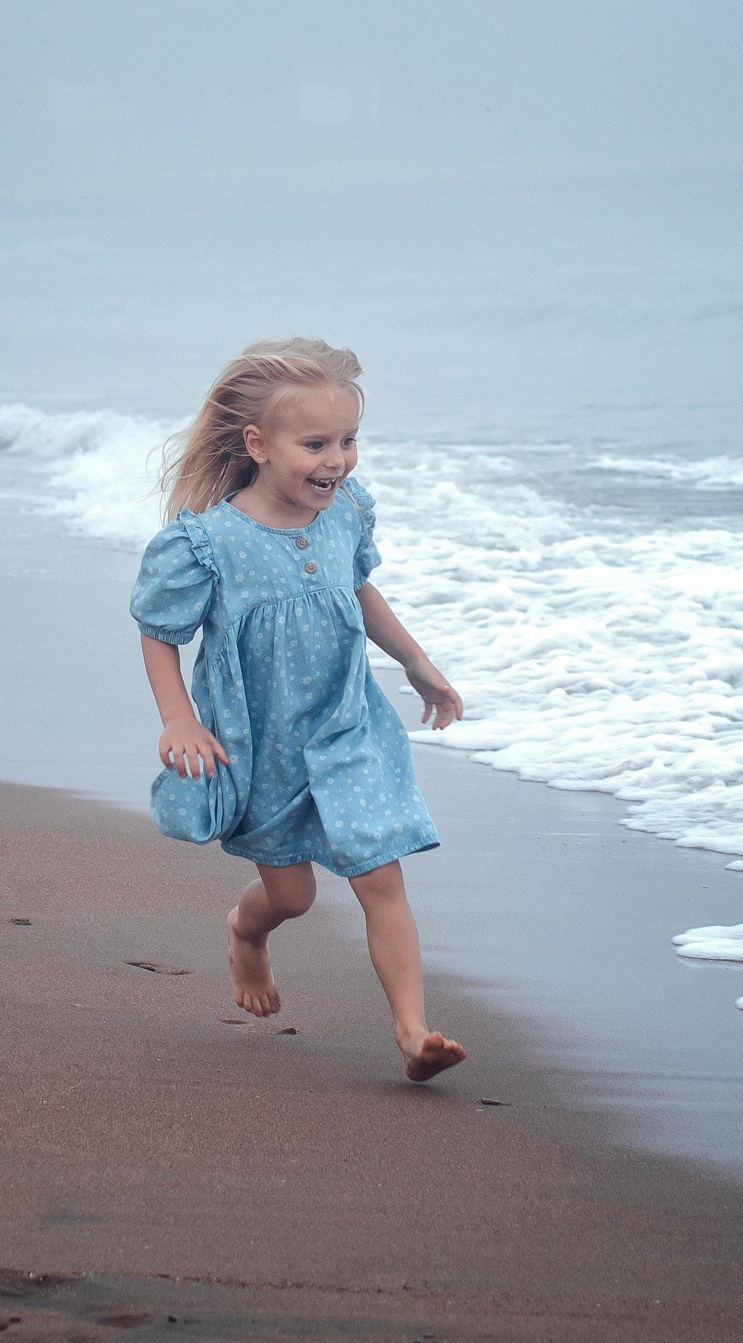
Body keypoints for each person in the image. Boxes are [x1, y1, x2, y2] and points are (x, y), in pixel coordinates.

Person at [130, 338, 467, 1082]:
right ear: (257, 444)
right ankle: (245, 932)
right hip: (265, 746)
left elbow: (358, 591)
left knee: (380, 875)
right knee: (293, 895)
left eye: (348, 440)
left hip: (349, 727)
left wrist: (417, 664)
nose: (337, 460)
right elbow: (159, 633)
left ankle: (413, 1032)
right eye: (315, 444)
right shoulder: (210, 543)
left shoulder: (345, 513)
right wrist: (179, 719)